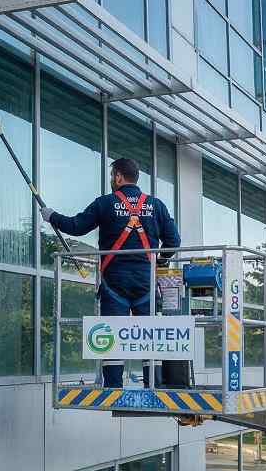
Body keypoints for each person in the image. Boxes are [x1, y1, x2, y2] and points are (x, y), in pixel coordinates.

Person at [41, 157, 180, 388]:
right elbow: (173, 241)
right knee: (150, 338)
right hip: (145, 282)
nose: (111, 180)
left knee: (112, 337)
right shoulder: (156, 206)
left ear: (118, 176)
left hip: (114, 283)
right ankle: (153, 388)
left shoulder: (105, 203)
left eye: (112, 176)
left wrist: (52, 216)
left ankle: (114, 391)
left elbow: (76, 226)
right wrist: (159, 262)